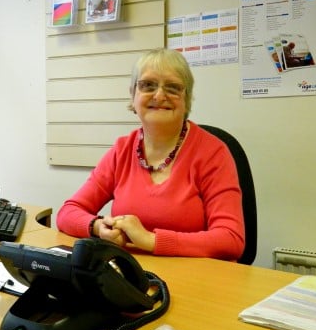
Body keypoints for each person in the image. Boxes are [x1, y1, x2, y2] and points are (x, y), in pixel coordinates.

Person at [56, 48, 245, 260]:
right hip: (130, 275)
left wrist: (150, 240)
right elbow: (67, 212)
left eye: (173, 88)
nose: (159, 95)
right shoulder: (122, 150)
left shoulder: (213, 153)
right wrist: (98, 227)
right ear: (133, 95)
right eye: (148, 85)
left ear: (187, 100)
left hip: (195, 279)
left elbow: (231, 239)